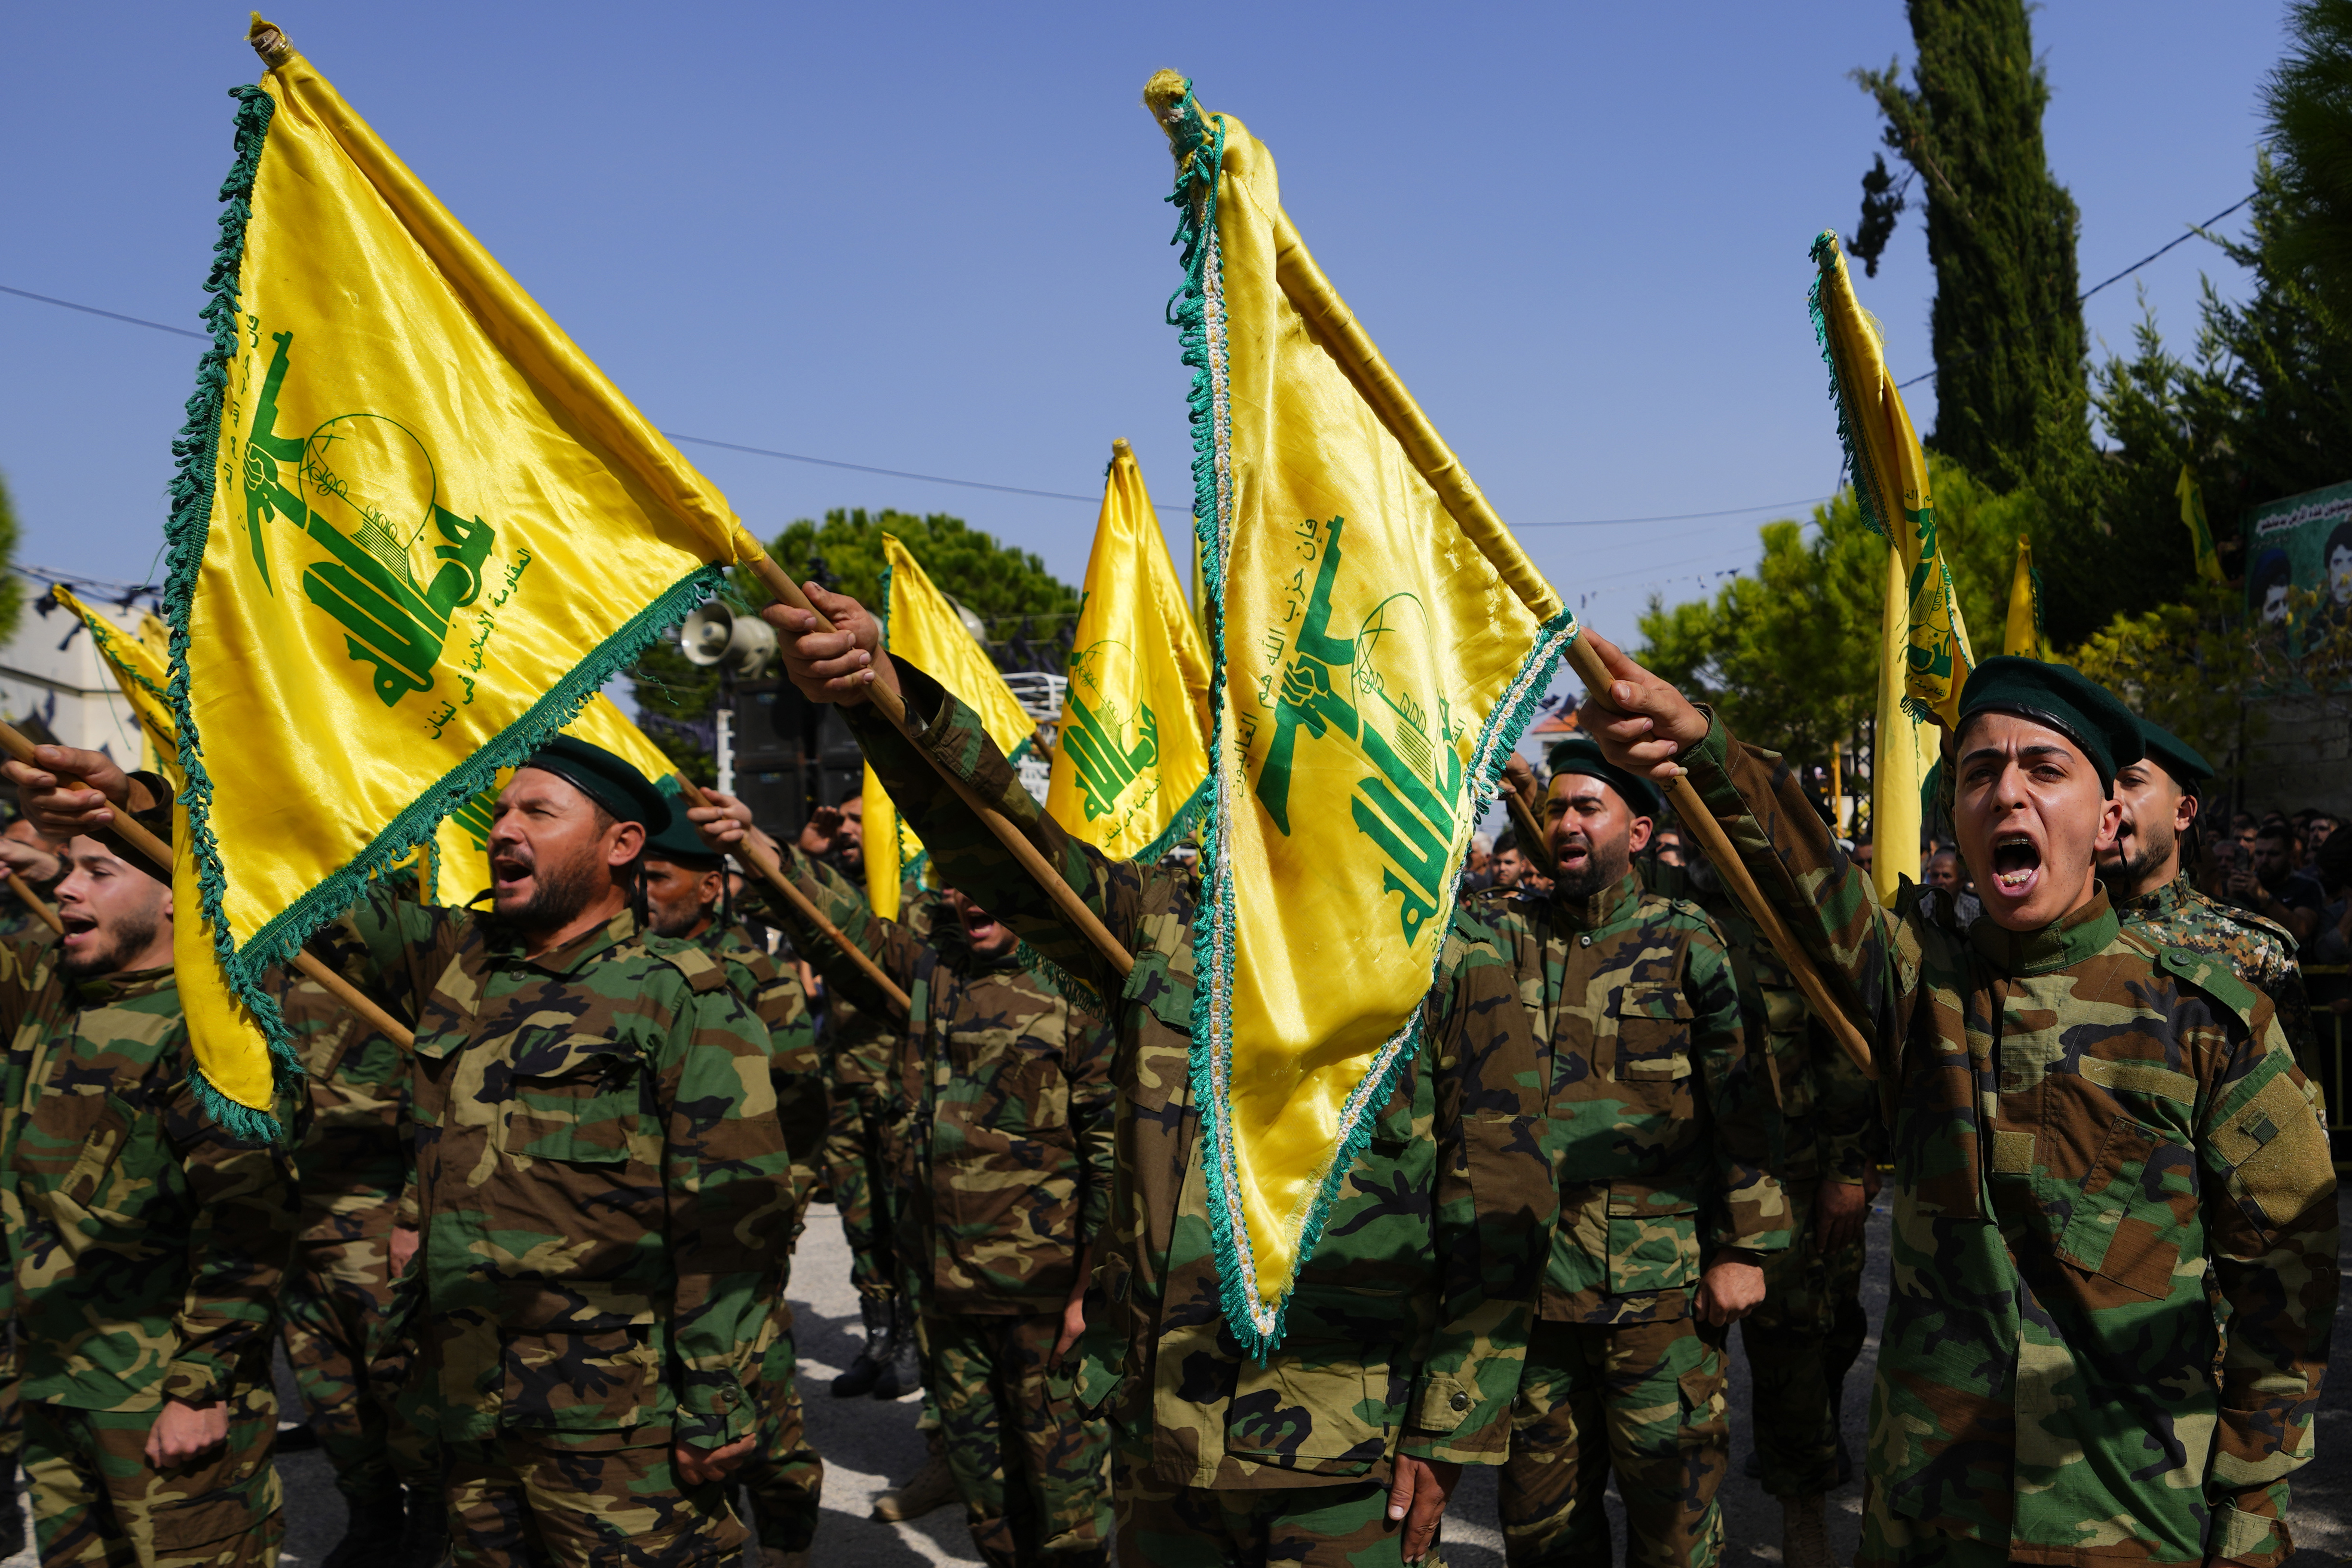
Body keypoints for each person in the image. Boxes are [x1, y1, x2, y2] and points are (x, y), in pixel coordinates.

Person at [764, 582, 1556, 1568]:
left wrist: (1447, 1430)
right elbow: (1007, 842)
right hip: (1159, 1438)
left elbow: (1503, 1204)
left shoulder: (1449, 950)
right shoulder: (1162, 924)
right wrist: (884, 695)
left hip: (1347, 1452)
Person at [1577, 643, 2337, 1568]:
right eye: (1980, 773)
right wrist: (1707, 748)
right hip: (1925, 1522)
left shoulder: (2212, 1021)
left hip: (2132, 1525)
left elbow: (2283, 1296)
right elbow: (1807, 879)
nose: (2008, 793)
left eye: (2044, 768)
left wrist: (2252, 1517)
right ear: (1960, 823)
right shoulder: (1917, 991)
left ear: (2106, 821)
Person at [20, 737, 794, 1568]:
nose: (504, 829)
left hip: (618, 1422)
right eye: (499, 811)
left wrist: (716, 1400)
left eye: (538, 811)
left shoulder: (682, 994)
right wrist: (142, 812)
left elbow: (735, 1224)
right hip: (467, 1412)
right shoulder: (460, 961)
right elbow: (291, 885)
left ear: (622, 846)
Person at [700, 803, 1117, 1568]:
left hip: (1046, 1300)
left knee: (1067, 1504)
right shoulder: (938, 971)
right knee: (989, 1494)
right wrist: (758, 845)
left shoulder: (1079, 989)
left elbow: (1111, 1160)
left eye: (991, 884)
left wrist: (1090, 1295)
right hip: (950, 1294)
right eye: (959, 883)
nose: (969, 898)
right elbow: (843, 931)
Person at [1490, 736, 1789, 1568]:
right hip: (1534, 1298)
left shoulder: (1686, 941)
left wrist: (1745, 1247)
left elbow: (1745, 1103)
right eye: (1556, 808)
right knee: (1543, 1532)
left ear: (1637, 827)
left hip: (1660, 1298)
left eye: (1590, 807)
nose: (1568, 823)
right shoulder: (1501, 940)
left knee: (1676, 1533)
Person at [0, 766, 296, 1568]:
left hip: (161, 1403)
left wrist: (199, 1386)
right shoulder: (47, 986)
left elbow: (247, 1224)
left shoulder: (215, 1030)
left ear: (175, 895)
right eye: (70, 869)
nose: (70, 890)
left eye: (100, 872)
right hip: (54, 1382)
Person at [641, 807, 828, 1568]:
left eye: (659, 878)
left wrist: (775, 1229)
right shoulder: (623, 971)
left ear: (711, 888)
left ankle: (789, 1549)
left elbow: (801, 1120)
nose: (641, 892)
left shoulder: (754, 979)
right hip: (652, 1244)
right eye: (636, 877)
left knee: (769, 1423)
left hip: (738, 1239)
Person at [268, 957, 437, 1568]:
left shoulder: (381, 966)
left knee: (405, 1392)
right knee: (328, 1395)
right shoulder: (259, 963)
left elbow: (437, 1098)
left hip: (376, 1216)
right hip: (293, 1217)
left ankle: (429, 1527)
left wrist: (417, 1215)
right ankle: (373, 1521)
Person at [2099, 721, 2324, 1099]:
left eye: (2132, 782)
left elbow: (2297, 1119)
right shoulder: (2045, 938)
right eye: (2102, 785)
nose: (2110, 800)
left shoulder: (2256, 951)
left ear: (2184, 813)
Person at [800, 801, 923, 1404]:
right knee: (860, 1220)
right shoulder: (837, 900)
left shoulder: (916, 907)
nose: (847, 831)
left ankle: (913, 1341)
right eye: (839, 823)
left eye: (858, 820)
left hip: (901, 1089)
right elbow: (786, 903)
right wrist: (807, 853)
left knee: (907, 1221)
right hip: (845, 1085)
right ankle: (878, 1338)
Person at [2244, 823, 2325, 946]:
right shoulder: (2244, 884)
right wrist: (2231, 897)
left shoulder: (2307, 887)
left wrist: (2264, 898)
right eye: (2260, 854)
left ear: (2290, 856)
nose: (2265, 860)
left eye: (2273, 854)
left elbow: (2300, 932)